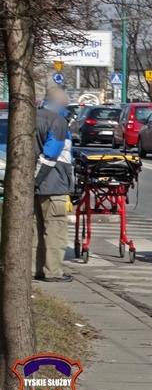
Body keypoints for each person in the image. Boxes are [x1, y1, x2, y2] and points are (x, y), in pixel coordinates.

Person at [33, 88, 75, 282]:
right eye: (65, 98)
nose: (67, 101)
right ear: (59, 100)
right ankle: (53, 271)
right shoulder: (58, 121)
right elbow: (51, 155)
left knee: (35, 229)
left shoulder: (32, 116)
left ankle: (35, 269)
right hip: (52, 183)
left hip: (32, 185)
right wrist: (36, 181)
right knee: (55, 229)